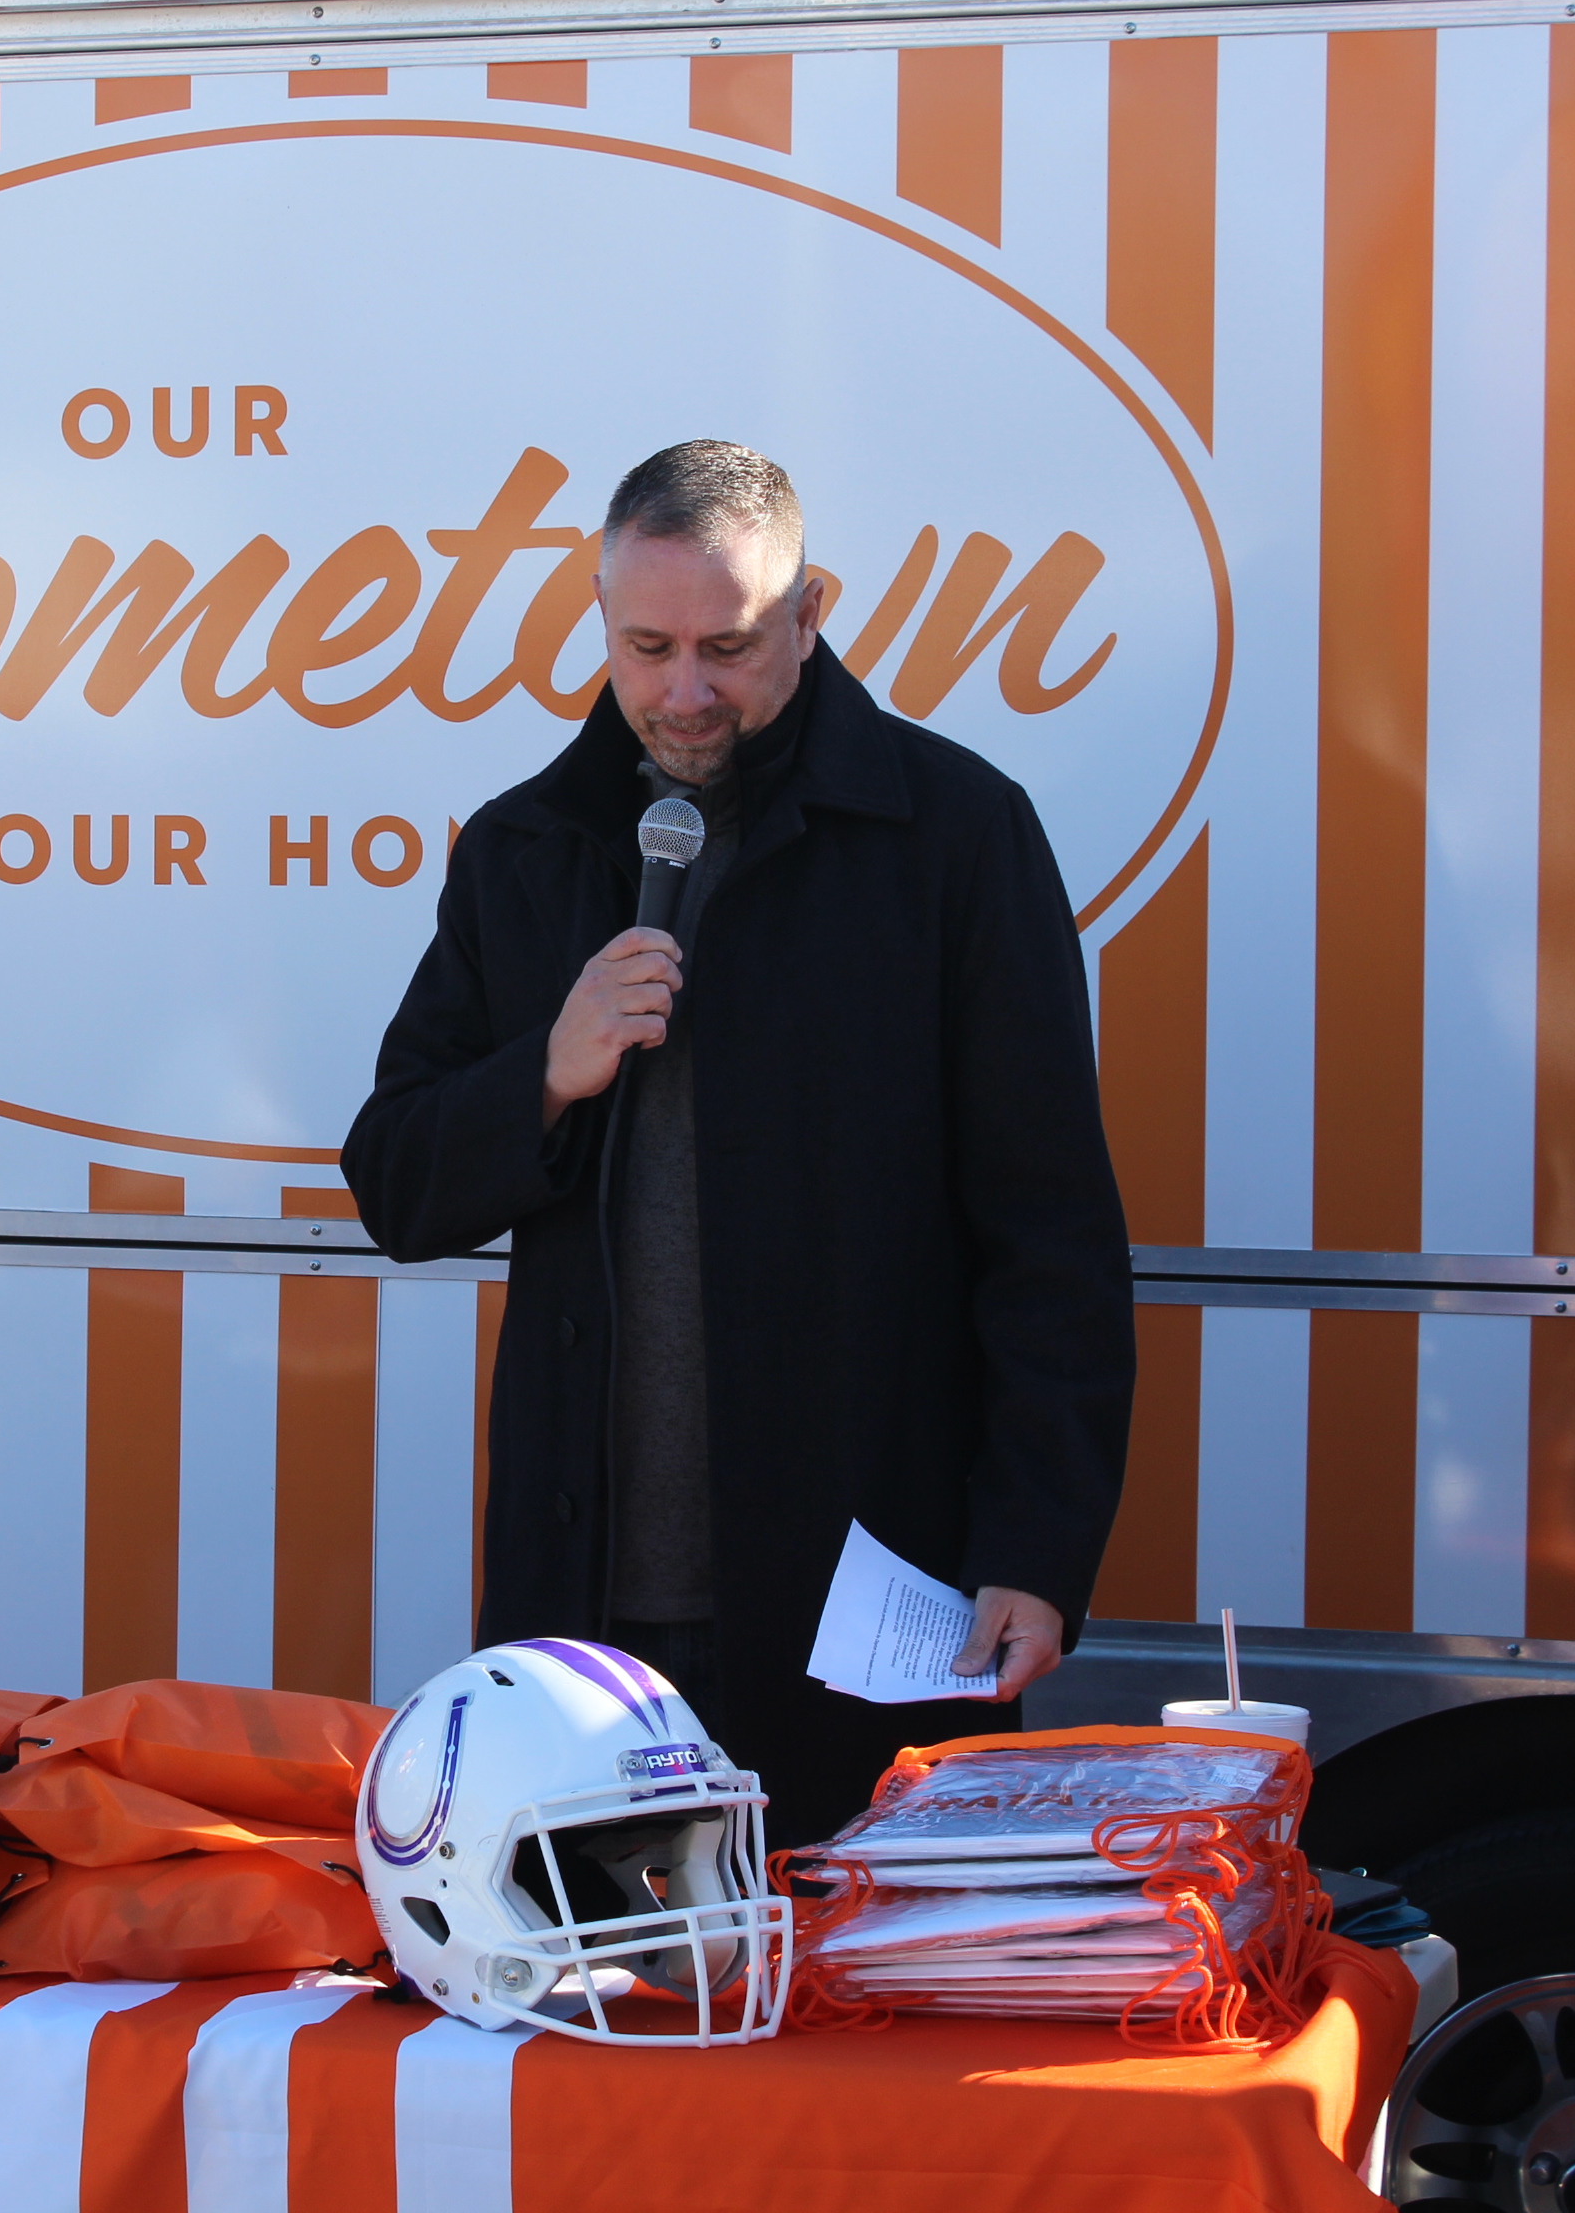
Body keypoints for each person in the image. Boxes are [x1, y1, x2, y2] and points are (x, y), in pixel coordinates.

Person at [340, 441, 1136, 1845]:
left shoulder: (952, 838)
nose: (685, 690)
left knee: (854, 2037)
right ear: (601, 621)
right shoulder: (529, 849)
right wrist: (546, 1072)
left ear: (812, 610)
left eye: (730, 644)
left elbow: (1051, 1230)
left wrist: (1036, 1547)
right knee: (589, 2032)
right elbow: (394, 1180)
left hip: (869, 1612)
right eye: (648, 647)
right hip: (585, 1626)